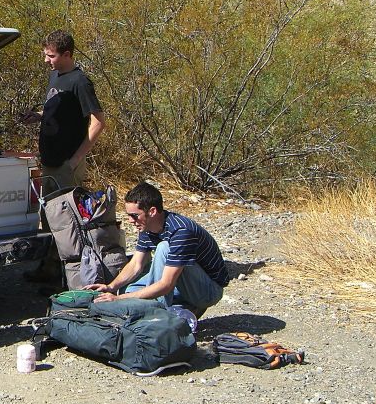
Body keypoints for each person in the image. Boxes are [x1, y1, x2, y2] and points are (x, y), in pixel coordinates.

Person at [22, 30, 105, 282]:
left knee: (68, 221)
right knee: (49, 218)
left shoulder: (80, 82)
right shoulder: (55, 76)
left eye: (51, 56)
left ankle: (71, 276)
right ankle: (49, 269)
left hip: (67, 164)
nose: (47, 60)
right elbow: (60, 111)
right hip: (50, 160)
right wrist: (38, 116)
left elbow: (98, 122)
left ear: (67, 54)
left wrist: (75, 160)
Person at [85, 181, 228, 317]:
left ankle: (159, 315)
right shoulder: (146, 228)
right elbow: (136, 265)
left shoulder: (181, 231)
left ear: (152, 211)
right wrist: (110, 287)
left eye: (134, 216)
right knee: (128, 290)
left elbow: (166, 284)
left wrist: (119, 299)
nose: (130, 221)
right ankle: (180, 308)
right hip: (182, 283)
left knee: (164, 248)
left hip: (208, 290)